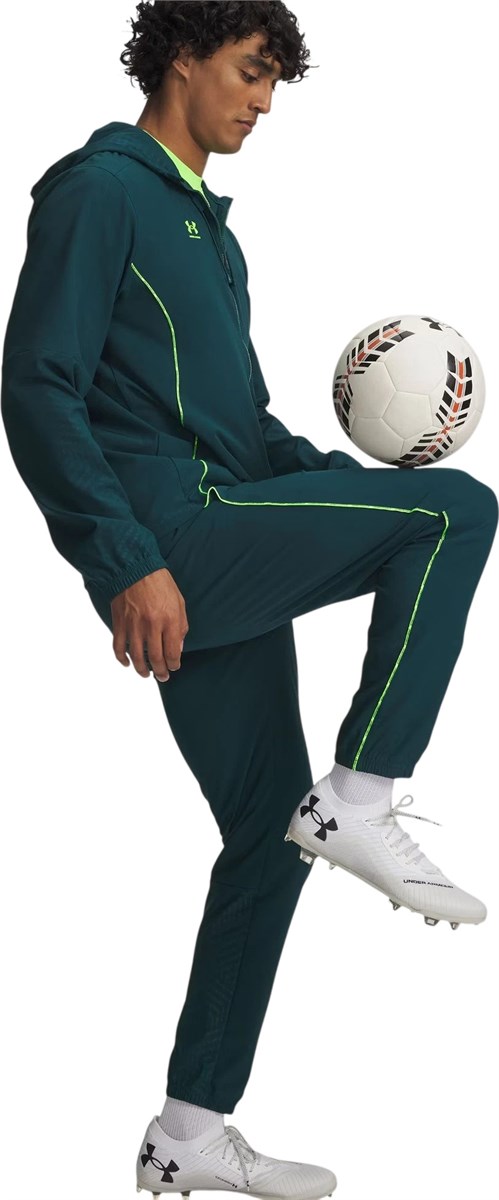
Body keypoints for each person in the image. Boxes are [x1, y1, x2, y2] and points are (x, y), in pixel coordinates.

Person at [1, 2, 497, 1197]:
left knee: (268, 834)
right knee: (458, 513)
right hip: (173, 540)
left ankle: (184, 1135)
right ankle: (364, 791)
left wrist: (345, 483)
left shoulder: (212, 239)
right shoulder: (100, 192)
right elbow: (36, 386)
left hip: (211, 523)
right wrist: (123, 560)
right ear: (180, 58)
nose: (264, 103)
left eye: (275, 82)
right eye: (249, 72)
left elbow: (244, 434)